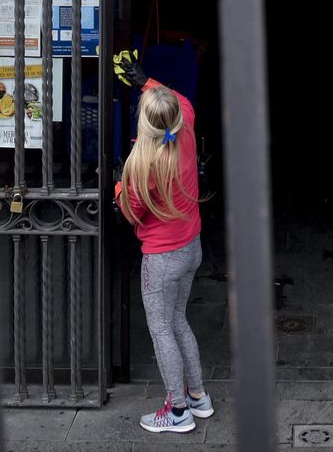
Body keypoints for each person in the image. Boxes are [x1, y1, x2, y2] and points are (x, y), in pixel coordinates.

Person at [113, 49, 212, 434]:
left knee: (160, 329)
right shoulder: (184, 120)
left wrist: (119, 188)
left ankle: (176, 411)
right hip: (192, 247)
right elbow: (174, 98)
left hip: (161, 258)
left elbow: (130, 212)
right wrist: (145, 81)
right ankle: (199, 397)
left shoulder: (142, 164)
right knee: (178, 320)